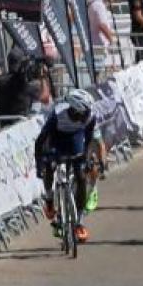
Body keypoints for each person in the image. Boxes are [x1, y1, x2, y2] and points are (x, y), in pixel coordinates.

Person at [35, 90, 98, 243]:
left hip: (76, 140)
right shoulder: (57, 114)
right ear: (75, 109)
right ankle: (49, 200)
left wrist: (88, 157)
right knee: (49, 167)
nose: (87, 115)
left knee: (81, 178)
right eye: (84, 113)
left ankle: (79, 221)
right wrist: (39, 163)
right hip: (57, 141)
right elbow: (41, 140)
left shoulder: (90, 116)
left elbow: (89, 139)